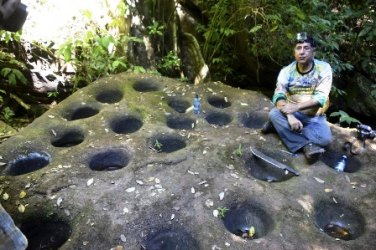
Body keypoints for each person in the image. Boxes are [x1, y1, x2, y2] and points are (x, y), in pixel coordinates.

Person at [262, 32, 333, 163]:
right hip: (291, 113)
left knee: (326, 140)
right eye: (298, 48)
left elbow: (321, 98)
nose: (302, 52)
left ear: (313, 51)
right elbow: (279, 95)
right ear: (294, 52)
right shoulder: (286, 71)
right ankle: (307, 146)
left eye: (306, 48)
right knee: (273, 113)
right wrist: (290, 116)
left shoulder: (323, 68)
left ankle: (279, 128)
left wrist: (296, 107)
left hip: (314, 118)